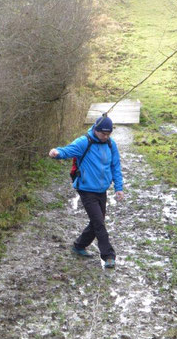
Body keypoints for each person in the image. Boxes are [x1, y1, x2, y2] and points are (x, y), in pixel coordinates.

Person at [49, 115, 124, 269]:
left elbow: (115, 166)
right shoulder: (85, 142)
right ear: (96, 130)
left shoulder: (111, 144)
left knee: (96, 222)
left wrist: (119, 188)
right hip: (86, 189)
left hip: (102, 190)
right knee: (99, 223)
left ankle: (79, 245)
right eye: (103, 133)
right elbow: (68, 150)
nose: (106, 136)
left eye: (108, 134)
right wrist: (57, 153)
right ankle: (108, 256)